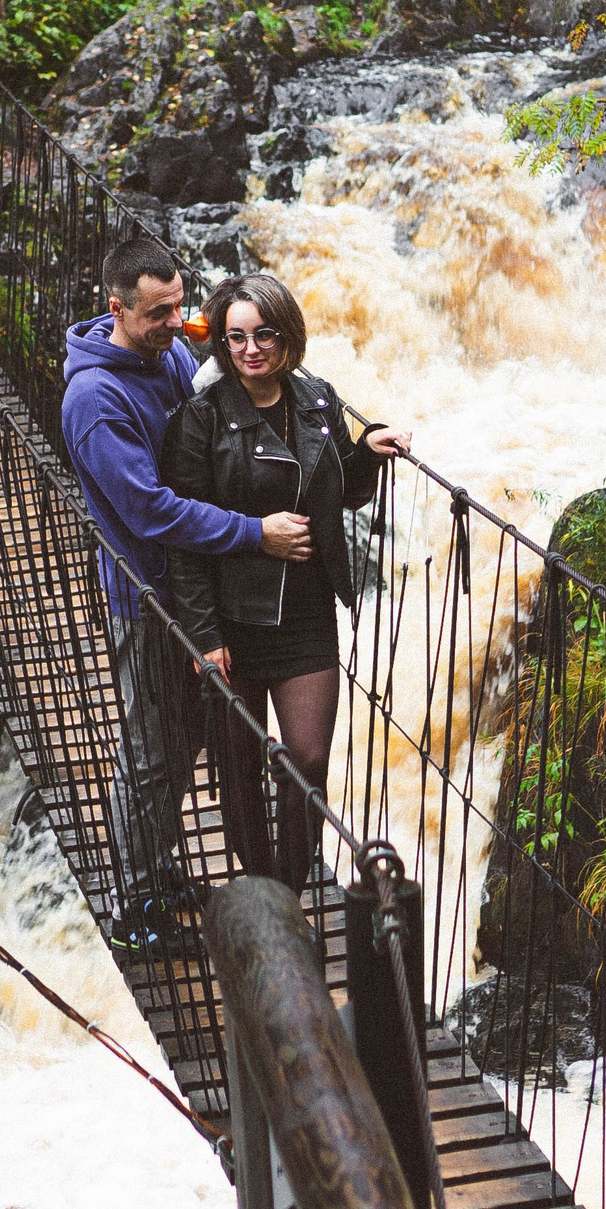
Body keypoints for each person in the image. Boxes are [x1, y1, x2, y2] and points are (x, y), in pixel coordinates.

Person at [62, 234, 312, 948]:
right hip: (149, 597)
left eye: (180, 307)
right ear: (117, 308)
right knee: (152, 749)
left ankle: (155, 867)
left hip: (189, 589)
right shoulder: (96, 400)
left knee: (180, 740)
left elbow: (200, 367)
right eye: (159, 314)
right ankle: (134, 906)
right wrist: (254, 532)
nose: (177, 325)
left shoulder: (164, 346)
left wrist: (226, 326)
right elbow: (151, 509)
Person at [160, 273, 410, 891]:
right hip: (231, 620)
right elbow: (182, 536)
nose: (250, 349)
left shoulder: (316, 399)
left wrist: (366, 453)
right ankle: (261, 880)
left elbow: (339, 493)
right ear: (221, 342)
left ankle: (292, 887)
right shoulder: (200, 420)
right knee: (239, 769)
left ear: (287, 335)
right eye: (236, 337)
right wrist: (202, 633)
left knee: (308, 761)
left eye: (264, 334)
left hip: (305, 613)